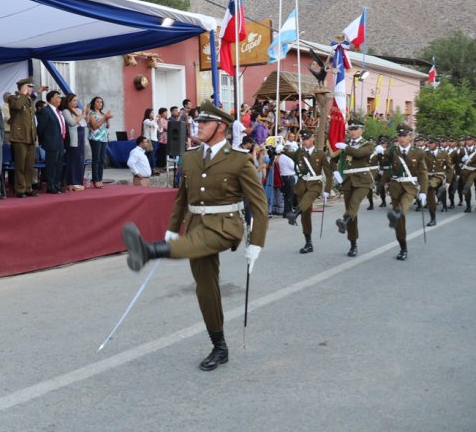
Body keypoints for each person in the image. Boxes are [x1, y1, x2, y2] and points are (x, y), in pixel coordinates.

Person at [121, 101, 268, 372]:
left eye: (204, 123)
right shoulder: (190, 157)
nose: (197, 126)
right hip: (196, 226)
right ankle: (219, 346)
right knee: (206, 289)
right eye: (197, 122)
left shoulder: (238, 160)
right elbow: (182, 199)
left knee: (196, 244)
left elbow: (259, 205)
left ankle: (150, 251)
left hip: (226, 227)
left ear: (221, 127)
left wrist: (256, 243)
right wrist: (171, 228)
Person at [281, 130, 332, 253]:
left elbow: (328, 174)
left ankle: (294, 213)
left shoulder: (320, 154)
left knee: (307, 200)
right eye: (303, 139)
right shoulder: (299, 153)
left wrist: (327, 190)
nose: (304, 141)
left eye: (307, 139)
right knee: (306, 216)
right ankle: (308, 243)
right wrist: (279, 150)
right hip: (302, 185)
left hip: (315, 185)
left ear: (312, 139)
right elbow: (289, 154)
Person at [383, 124, 428, 260]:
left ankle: (396, 213)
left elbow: (423, 173)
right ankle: (403, 247)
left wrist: (424, 191)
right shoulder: (392, 151)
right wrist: (381, 183)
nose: (402, 138)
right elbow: (386, 168)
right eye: (400, 136)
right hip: (395, 186)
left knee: (403, 206)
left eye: (405, 136)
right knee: (400, 222)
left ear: (410, 137)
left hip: (410, 186)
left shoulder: (419, 153)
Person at [333, 116, 375, 257]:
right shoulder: (345, 145)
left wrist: (346, 147)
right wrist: (335, 173)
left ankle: (344, 220)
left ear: (361, 130)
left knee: (354, 203)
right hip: (348, 182)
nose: (352, 131)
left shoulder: (368, 145)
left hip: (363, 181)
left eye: (355, 129)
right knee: (352, 214)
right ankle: (353, 244)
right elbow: (332, 160)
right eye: (350, 129)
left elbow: (358, 154)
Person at [8, 78, 38, 198]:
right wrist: (23, 94)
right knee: (20, 165)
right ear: (23, 87)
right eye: (29, 87)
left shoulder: (29, 100)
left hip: (30, 137)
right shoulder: (14, 98)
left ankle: (28, 187)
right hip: (19, 137)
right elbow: (18, 107)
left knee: (29, 165)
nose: (31, 89)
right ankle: (20, 189)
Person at [36, 90, 66, 194]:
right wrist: (45, 141)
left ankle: (57, 185)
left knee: (59, 165)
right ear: (51, 99)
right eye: (57, 97)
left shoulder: (58, 111)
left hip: (60, 141)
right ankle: (50, 186)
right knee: (51, 165)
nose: (60, 99)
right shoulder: (46, 111)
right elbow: (41, 128)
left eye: (60, 97)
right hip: (51, 142)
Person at [60, 94, 87, 191]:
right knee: (73, 160)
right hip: (73, 138)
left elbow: (84, 123)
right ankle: (72, 182)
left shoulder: (78, 110)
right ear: (69, 101)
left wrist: (85, 115)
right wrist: (82, 115)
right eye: (74, 100)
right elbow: (71, 123)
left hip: (81, 135)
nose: (76, 102)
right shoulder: (66, 111)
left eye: (77, 100)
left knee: (80, 159)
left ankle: (78, 181)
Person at [424, 136, 453, 225]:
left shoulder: (444, 153)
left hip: (439, 176)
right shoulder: (425, 153)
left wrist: (448, 182)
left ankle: (444, 204)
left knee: (431, 185)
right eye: (429, 143)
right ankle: (433, 218)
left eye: (431, 143)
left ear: (436, 144)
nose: (429, 145)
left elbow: (449, 168)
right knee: (430, 195)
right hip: (428, 176)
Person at [87, 96, 112, 189]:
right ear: (94, 103)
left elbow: (107, 126)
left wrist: (107, 119)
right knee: (96, 159)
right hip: (95, 138)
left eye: (101, 102)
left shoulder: (102, 113)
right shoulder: (91, 113)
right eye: (97, 102)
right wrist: (104, 117)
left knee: (102, 160)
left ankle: (100, 179)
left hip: (103, 138)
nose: (99, 104)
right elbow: (94, 126)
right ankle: (95, 180)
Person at [460, 133, 476, 212]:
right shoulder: (462, 150)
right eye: (467, 140)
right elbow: (458, 161)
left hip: (475, 170)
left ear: (474, 141)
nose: (468, 142)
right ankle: (468, 205)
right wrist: (462, 160)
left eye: (470, 140)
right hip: (466, 171)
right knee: (467, 190)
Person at [142, 108, 158, 172]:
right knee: (151, 155)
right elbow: (152, 124)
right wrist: (156, 119)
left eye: (153, 113)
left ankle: (150, 168)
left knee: (152, 154)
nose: (153, 114)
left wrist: (159, 123)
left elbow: (159, 129)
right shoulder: (146, 121)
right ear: (148, 114)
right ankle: (152, 168)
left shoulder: (153, 121)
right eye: (151, 113)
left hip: (154, 140)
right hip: (149, 140)